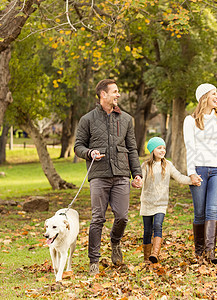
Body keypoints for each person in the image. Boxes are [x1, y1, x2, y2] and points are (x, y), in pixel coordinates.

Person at [74, 79, 143, 275]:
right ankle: (93, 261)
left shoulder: (127, 119)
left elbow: (132, 149)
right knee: (97, 218)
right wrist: (89, 153)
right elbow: (78, 146)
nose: (118, 95)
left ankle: (115, 243)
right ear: (103, 95)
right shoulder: (87, 119)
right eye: (115, 91)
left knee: (122, 216)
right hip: (98, 176)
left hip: (121, 175)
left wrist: (136, 173)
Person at [183, 83, 217, 264]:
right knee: (199, 212)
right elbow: (190, 148)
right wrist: (191, 172)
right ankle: (199, 252)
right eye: (214, 93)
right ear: (204, 96)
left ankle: (210, 252)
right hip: (199, 169)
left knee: (212, 210)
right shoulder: (190, 121)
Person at [140, 137, 201, 264]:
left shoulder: (168, 165)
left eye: (164, 148)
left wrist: (192, 180)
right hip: (147, 202)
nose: (162, 150)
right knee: (147, 231)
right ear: (152, 150)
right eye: (159, 148)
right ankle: (146, 258)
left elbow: (179, 177)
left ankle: (154, 255)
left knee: (158, 225)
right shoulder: (145, 166)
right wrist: (137, 182)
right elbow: (140, 179)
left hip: (161, 203)